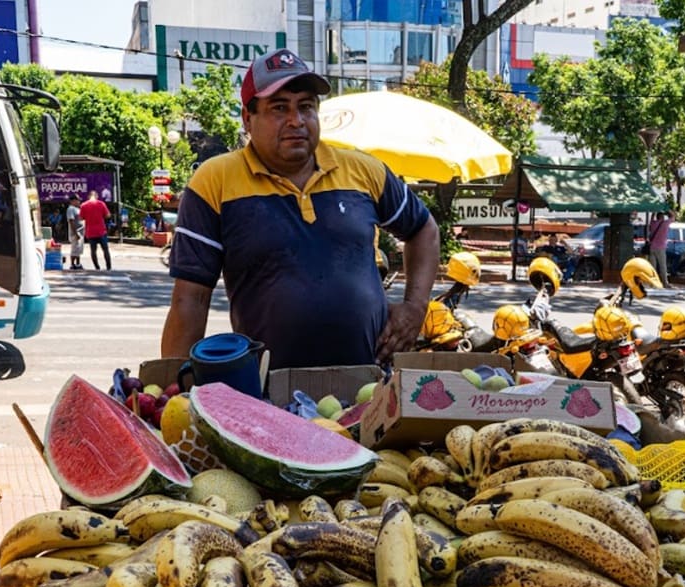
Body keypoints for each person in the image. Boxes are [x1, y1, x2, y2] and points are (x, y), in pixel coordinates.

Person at [161, 48, 440, 368]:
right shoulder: (215, 180)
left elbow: (423, 230)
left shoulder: (363, 170)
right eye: (279, 108)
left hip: (369, 386)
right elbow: (190, 299)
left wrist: (415, 308)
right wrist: (172, 388)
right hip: (267, 392)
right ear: (247, 118)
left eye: (306, 107)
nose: (296, 120)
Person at [80, 190, 112, 270]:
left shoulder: (84, 205)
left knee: (93, 251)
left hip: (90, 231)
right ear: (96, 196)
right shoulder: (101, 204)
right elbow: (108, 215)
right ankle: (108, 267)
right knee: (105, 250)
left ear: (88, 196)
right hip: (101, 231)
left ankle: (97, 267)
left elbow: (81, 218)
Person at [646, 210, 673, 287]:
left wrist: (654, 211)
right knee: (662, 266)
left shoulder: (653, 223)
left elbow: (651, 218)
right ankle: (665, 283)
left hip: (652, 247)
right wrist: (667, 210)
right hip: (661, 248)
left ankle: (652, 283)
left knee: (652, 267)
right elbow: (673, 216)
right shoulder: (665, 223)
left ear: (657, 217)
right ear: (662, 217)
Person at [66, 194, 85, 270]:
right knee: (74, 249)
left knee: (78, 249)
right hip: (75, 232)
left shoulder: (78, 209)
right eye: (77, 200)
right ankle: (72, 264)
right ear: (72, 201)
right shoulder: (71, 209)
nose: (79, 201)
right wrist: (75, 233)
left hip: (80, 232)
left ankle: (78, 264)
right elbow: (71, 221)